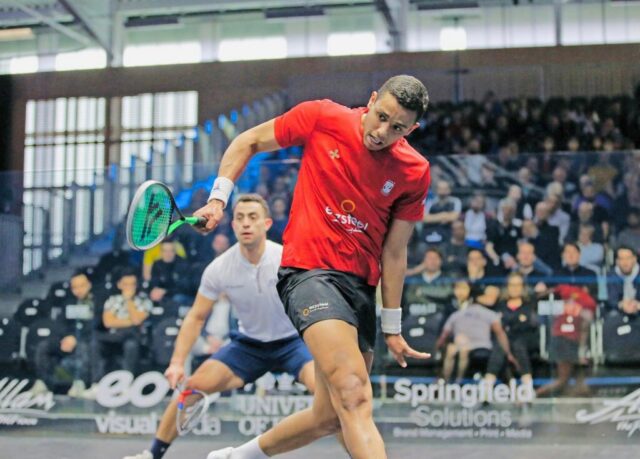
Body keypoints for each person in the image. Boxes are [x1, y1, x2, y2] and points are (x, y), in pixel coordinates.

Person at [196, 75, 431, 459]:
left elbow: (394, 252)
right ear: (372, 100)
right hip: (309, 274)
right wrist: (218, 200)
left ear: (412, 129)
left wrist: (392, 325)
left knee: (330, 417)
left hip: (359, 288)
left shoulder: (414, 170)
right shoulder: (323, 117)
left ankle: (238, 457)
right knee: (354, 393)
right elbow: (248, 141)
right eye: (381, 116)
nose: (382, 132)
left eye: (397, 128)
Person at [124, 195, 315, 459]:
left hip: (293, 342)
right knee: (191, 388)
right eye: (240, 218)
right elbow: (196, 317)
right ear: (233, 225)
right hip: (249, 346)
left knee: (334, 398)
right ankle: (152, 454)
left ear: (267, 224)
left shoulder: (286, 259)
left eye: (253, 217)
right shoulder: (220, 268)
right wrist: (177, 362)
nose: (246, 223)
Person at [31, 270, 98, 397]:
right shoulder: (68, 303)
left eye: (81, 286)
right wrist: (66, 338)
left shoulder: (96, 303)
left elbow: (95, 325)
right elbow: (60, 324)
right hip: (67, 339)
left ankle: (80, 384)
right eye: (74, 287)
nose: (78, 290)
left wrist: (75, 339)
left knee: (85, 347)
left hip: (86, 339)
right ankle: (44, 383)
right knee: (43, 346)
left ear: (89, 285)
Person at [88, 267, 152, 398]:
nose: (129, 288)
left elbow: (137, 320)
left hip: (133, 336)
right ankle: (97, 383)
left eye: (132, 284)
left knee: (131, 345)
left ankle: (126, 385)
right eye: (126, 284)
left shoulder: (144, 301)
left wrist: (129, 301)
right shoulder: (112, 300)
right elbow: (108, 322)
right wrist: (129, 321)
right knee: (95, 343)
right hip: (113, 336)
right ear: (119, 285)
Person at [436, 281, 515, 383]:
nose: (489, 299)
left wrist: (508, 353)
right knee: (454, 350)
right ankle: (448, 382)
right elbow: (444, 336)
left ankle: (457, 382)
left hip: (481, 348)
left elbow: (500, 334)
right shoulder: (458, 314)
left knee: (461, 350)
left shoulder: (489, 314)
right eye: (486, 296)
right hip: (462, 346)